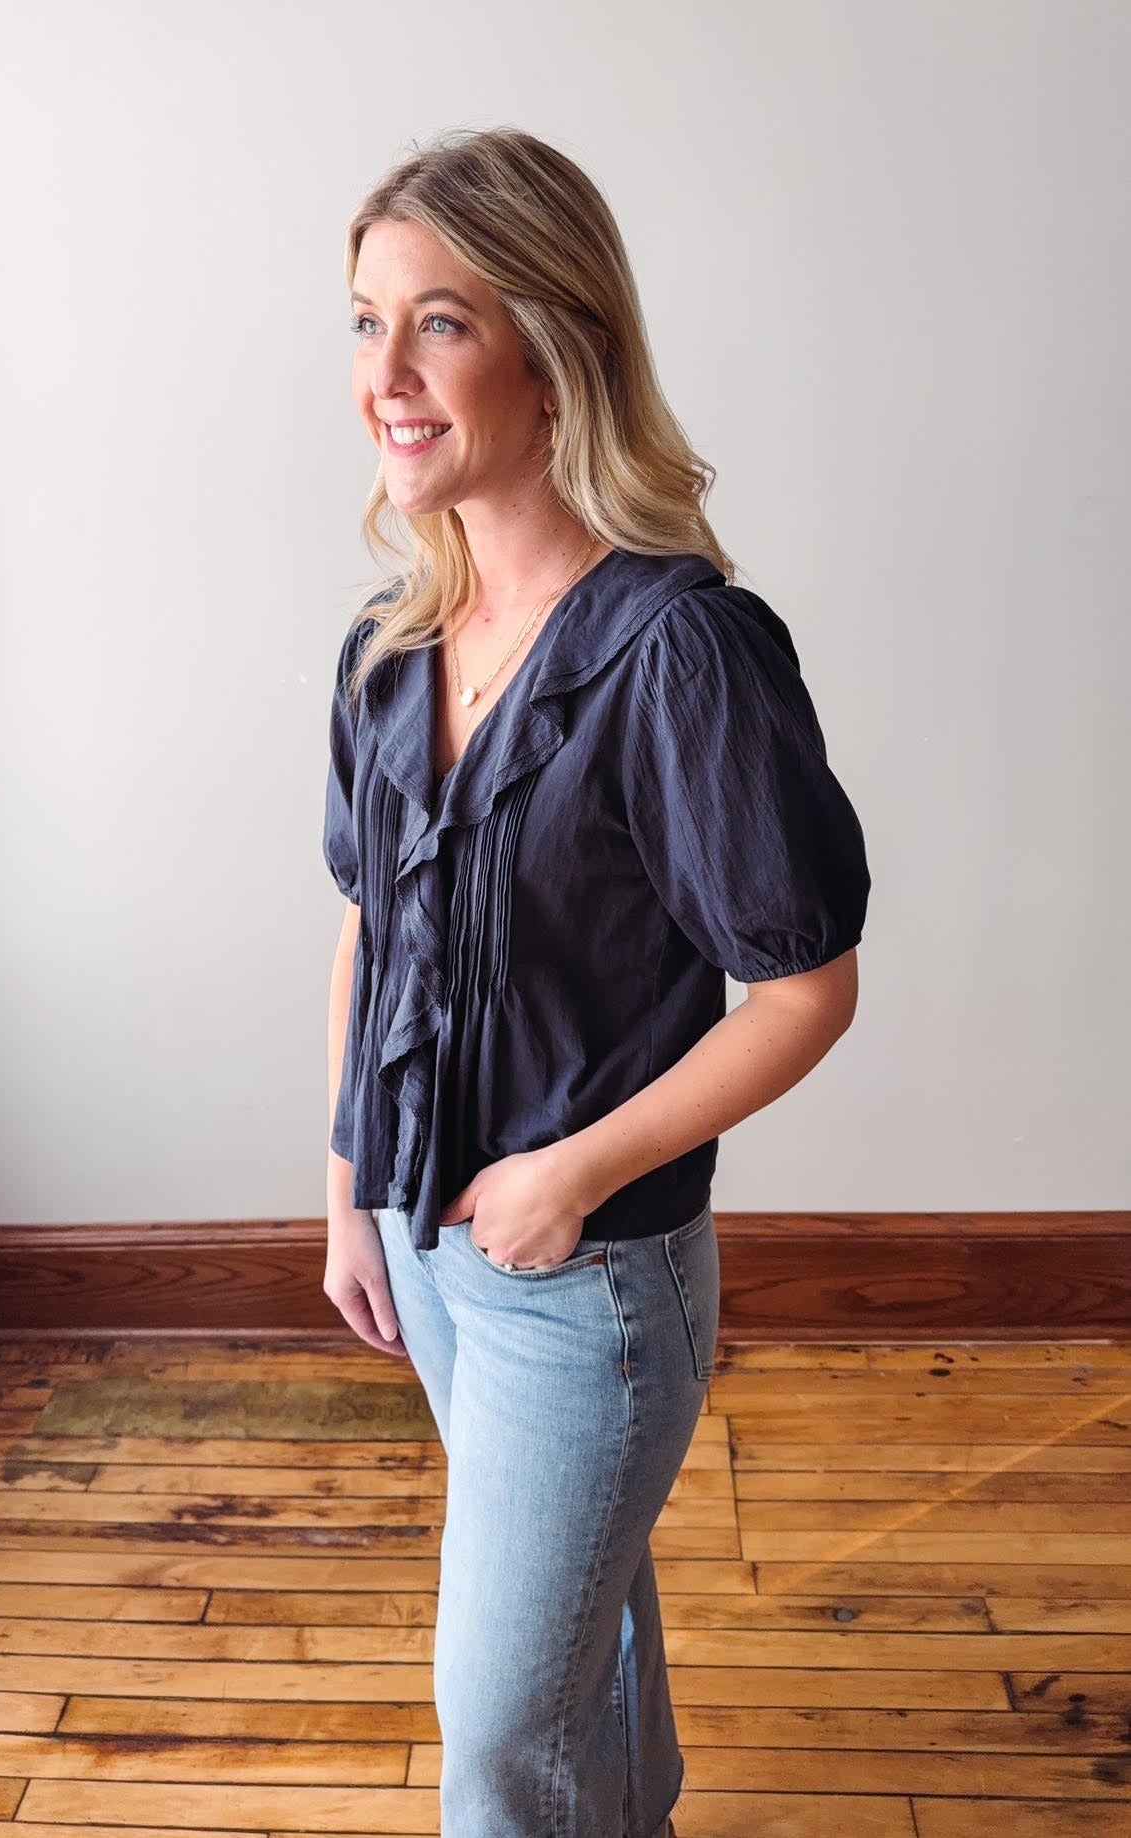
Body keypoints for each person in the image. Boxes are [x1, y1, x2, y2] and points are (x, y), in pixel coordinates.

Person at [322, 126, 871, 1838]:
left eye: (441, 323)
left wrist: (568, 1175)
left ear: (556, 351)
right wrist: (349, 1189)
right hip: (423, 1239)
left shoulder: (682, 652)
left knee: (497, 1725)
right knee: (584, 1651)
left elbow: (804, 986)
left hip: (587, 1278)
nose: (385, 376)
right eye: (363, 322)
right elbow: (366, 919)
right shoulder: (389, 643)